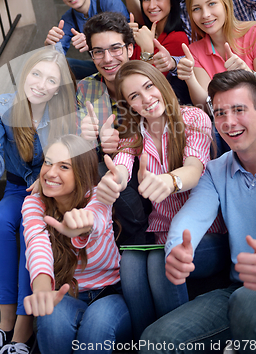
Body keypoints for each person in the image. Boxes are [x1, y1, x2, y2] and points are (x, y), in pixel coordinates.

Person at [140, 69, 256, 353]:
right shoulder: (216, 171)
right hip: (238, 289)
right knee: (154, 341)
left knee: (248, 305)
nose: (229, 122)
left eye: (239, 110)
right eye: (220, 113)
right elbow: (191, 217)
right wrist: (177, 249)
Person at [96, 61, 228, 340]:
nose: (145, 99)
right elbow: (121, 166)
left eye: (148, 86)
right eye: (134, 96)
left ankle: (176, 341)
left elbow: (194, 168)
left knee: (160, 262)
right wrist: (113, 181)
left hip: (205, 236)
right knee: (130, 263)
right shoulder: (134, 132)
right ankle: (146, 341)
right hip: (161, 232)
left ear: (162, 83)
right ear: (128, 104)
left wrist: (170, 181)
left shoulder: (192, 118)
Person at [0, 47, 76, 354]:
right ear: (24, 74)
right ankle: (5, 323)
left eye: (51, 80)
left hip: (53, 188)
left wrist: (45, 186)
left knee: (28, 229)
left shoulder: (66, 111)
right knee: (0, 220)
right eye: (36, 74)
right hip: (18, 187)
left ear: (59, 88)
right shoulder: (1, 106)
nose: (41, 85)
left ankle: (23, 325)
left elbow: (71, 161)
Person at [22, 134, 131, 354]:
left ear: (81, 173)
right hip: (67, 295)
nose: (51, 172)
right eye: (48, 162)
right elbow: (37, 242)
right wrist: (42, 290)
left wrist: (82, 226)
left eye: (64, 166)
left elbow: (96, 218)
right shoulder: (34, 202)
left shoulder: (97, 196)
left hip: (109, 294)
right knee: (51, 319)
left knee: (96, 326)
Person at [177, 0, 256, 144]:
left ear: (226, 4)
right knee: (206, 135)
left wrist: (248, 75)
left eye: (212, 4)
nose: (205, 15)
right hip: (230, 126)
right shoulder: (194, 50)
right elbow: (206, 107)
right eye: (196, 9)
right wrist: (190, 79)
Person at [77, 12, 151, 244]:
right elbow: (85, 145)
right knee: (99, 170)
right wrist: (90, 139)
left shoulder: (147, 80)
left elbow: (163, 131)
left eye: (115, 49)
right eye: (98, 51)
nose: (107, 59)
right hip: (114, 173)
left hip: (151, 164)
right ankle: (138, 237)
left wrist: (122, 143)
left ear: (130, 49)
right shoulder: (86, 88)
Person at [44, 0, 129, 79]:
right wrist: (49, 47)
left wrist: (91, 41)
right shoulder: (68, 18)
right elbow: (57, 53)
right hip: (101, 65)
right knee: (62, 65)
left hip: (125, 60)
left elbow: (126, 36)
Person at [130, 0, 190, 103]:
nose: (151, 6)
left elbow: (153, 86)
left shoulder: (178, 38)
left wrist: (146, 49)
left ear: (172, 1)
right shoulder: (142, 34)